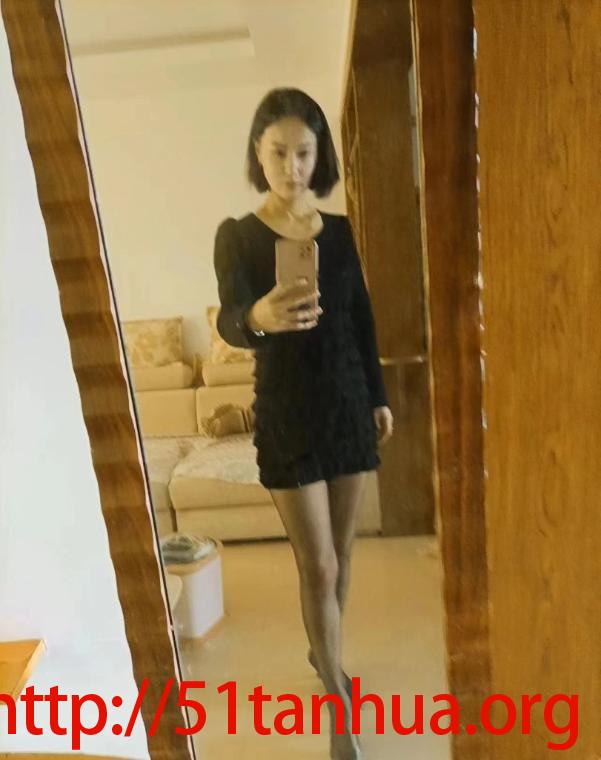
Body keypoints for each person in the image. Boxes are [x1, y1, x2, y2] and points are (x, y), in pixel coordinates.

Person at [213, 87, 393, 760]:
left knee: (341, 557)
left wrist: (377, 395)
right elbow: (230, 319)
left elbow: (360, 319)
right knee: (316, 565)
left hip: (347, 404)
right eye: (278, 152)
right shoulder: (238, 236)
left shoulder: (339, 232)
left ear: (320, 157)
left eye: (304, 153)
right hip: (287, 410)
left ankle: (327, 657)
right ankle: (337, 704)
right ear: (258, 155)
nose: (291, 167)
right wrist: (258, 317)